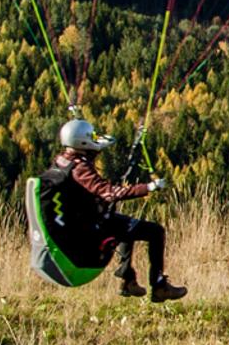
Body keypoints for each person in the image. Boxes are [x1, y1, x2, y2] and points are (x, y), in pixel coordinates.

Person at [38, 116, 185, 303]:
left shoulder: (63, 160)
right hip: (93, 228)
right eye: (90, 137)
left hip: (87, 223)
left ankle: (127, 279)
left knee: (126, 227)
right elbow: (109, 193)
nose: (94, 141)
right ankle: (158, 286)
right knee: (154, 231)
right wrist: (148, 187)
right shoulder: (80, 168)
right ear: (81, 141)